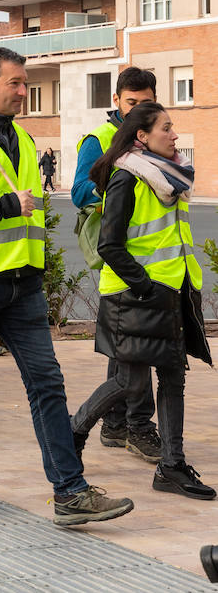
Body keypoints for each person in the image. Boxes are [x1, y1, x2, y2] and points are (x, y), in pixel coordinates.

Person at [0, 46, 133, 526]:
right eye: (15, 82)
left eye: (24, 81)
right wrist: (1, 206)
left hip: (22, 282)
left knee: (47, 384)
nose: (23, 90)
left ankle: (70, 492)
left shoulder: (20, 136)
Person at [70, 101, 213, 500]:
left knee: (172, 376)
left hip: (171, 289)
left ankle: (171, 465)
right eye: (166, 128)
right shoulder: (127, 177)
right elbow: (110, 245)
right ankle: (73, 430)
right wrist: (147, 287)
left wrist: (173, 287)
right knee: (129, 382)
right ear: (142, 136)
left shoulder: (169, 176)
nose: (175, 134)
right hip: (134, 294)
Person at [70, 66, 161, 462]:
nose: (139, 110)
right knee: (132, 354)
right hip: (123, 262)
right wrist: (120, 181)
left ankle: (118, 425)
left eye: (147, 103)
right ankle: (130, 426)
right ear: (117, 102)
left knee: (134, 353)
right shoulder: (101, 140)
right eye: (132, 103)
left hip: (158, 266)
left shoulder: (161, 139)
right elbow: (78, 191)